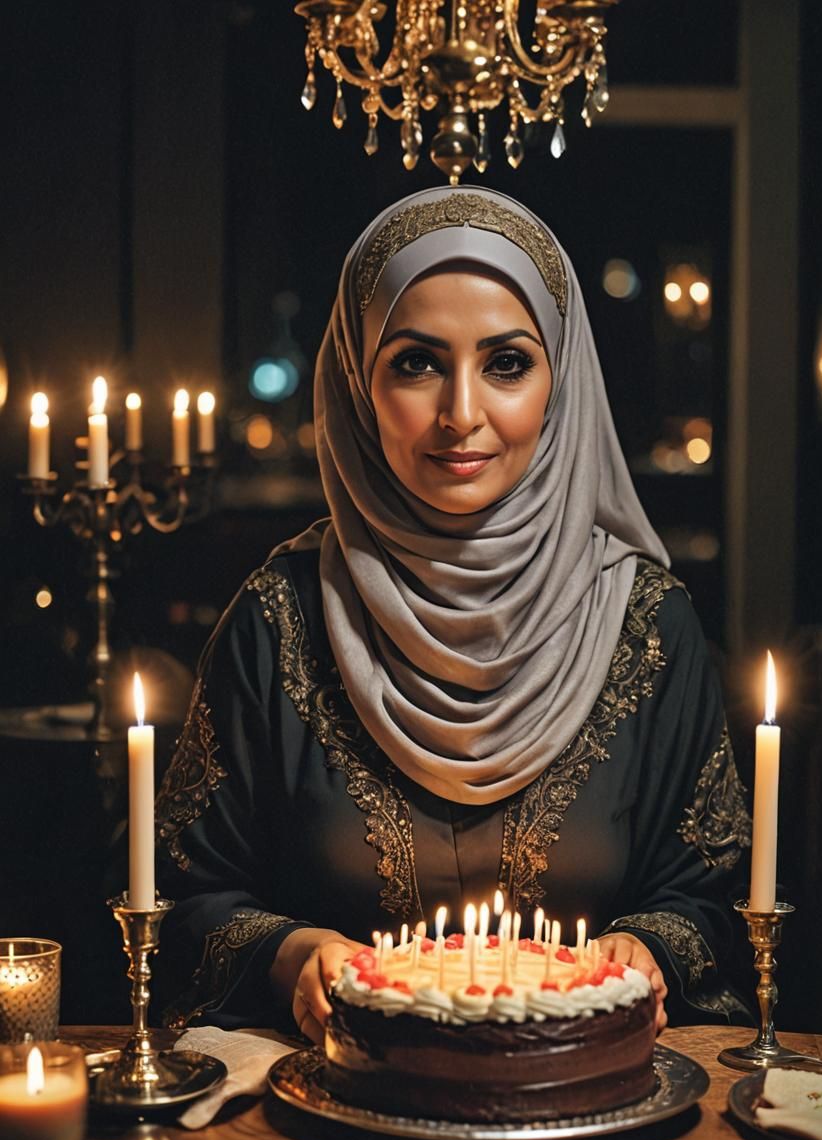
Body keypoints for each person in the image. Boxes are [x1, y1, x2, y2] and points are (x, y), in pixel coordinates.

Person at [154, 187, 753, 1043]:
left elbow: (718, 899)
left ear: (562, 379)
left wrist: (649, 950)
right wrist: (292, 956)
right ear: (357, 380)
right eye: (416, 363)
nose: (462, 415)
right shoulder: (278, 619)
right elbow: (176, 902)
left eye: (507, 363)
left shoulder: (648, 626)